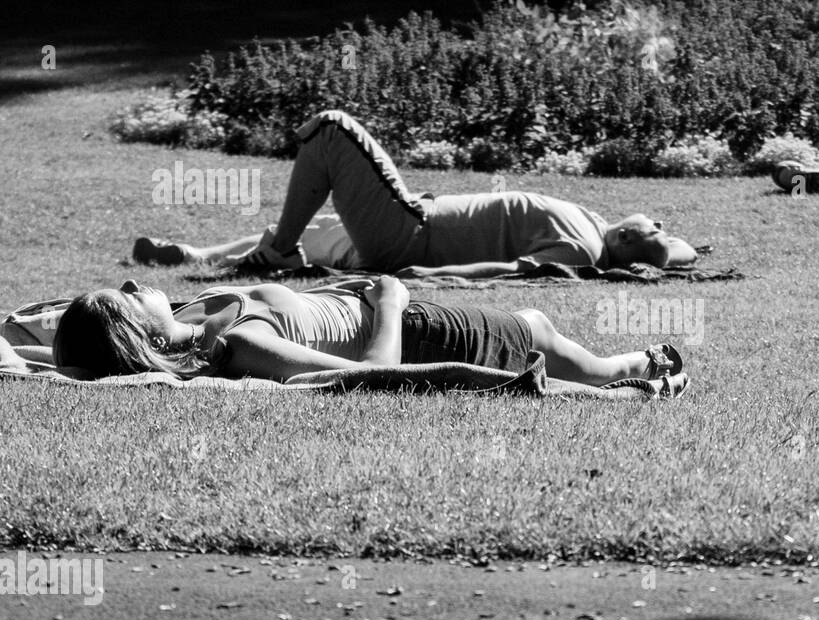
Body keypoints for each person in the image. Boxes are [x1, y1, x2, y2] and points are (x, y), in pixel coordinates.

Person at [133, 110, 698, 274]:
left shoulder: (583, 250)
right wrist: (662, 249)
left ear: (627, 236)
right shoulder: (593, 223)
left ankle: (277, 251)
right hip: (412, 222)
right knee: (311, 228)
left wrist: (427, 277)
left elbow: (510, 272)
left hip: (410, 238)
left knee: (331, 131)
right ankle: (194, 255)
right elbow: (676, 249)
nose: (659, 224)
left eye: (652, 228)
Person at [51, 277, 689, 396]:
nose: (137, 285)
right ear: (135, 332)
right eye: (125, 297)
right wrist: (388, 299)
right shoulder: (238, 344)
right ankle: (634, 372)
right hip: (424, 335)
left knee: (543, 332)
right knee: (537, 332)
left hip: (417, 319)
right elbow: (371, 377)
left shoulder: (197, 316)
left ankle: (630, 363)